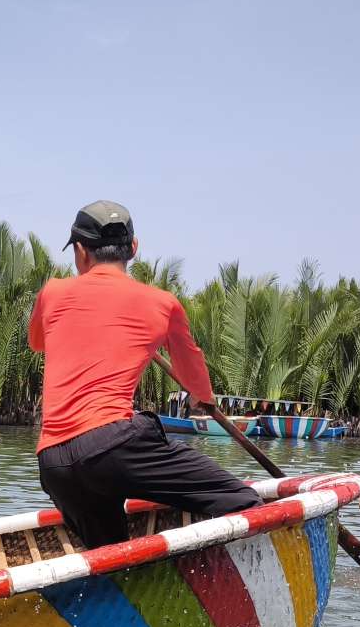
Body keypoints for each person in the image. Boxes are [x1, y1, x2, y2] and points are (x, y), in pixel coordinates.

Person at [28, 200, 260, 547]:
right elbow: (193, 374)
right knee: (246, 504)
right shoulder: (162, 304)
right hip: (113, 448)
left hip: (54, 463)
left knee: (113, 558)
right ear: (133, 248)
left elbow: (38, 342)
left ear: (80, 251)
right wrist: (202, 399)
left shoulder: (52, 292)